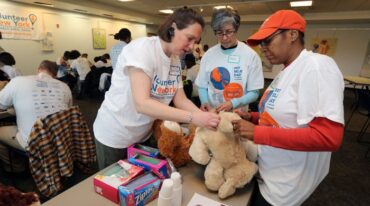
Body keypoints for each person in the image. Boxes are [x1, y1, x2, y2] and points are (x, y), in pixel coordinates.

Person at [232, 10, 344, 206]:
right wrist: (253, 116)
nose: (263, 48)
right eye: (261, 44)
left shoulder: (316, 67)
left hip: (284, 187)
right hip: (267, 170)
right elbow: (287, 115)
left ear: (293, 34)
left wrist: (257, 132)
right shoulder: (286, 70)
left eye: (268, 40)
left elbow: (328, 137)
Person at [93, 7, 220, 169]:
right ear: (173, 28)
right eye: (189, 38)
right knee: (114, 186)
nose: (191, 46)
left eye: (196, 41)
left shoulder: (174, 59)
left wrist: (203, 117)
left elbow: (180, 99)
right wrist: (193, 117)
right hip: (116, 133)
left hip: (142, 133)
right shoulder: (142, 50)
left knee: (139, 184)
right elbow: (142, 103)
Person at [0, 60, 72, 171]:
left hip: (35, 143)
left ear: (38, 69)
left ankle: (17, 169)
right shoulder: (65, 87)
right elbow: (67, 111)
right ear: (56, 74)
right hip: (61, 140)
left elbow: (1, 104)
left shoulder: (18, 81)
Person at [195, 8, 264, 113]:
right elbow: (202, 85)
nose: (224, 37)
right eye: (219, 33)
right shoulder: (208, 55)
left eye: (228, 32)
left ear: (236, 29)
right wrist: (205, 102)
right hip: (213, 113)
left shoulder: (250, 56)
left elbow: (254, 92)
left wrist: (233, 103)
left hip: (238, 115)